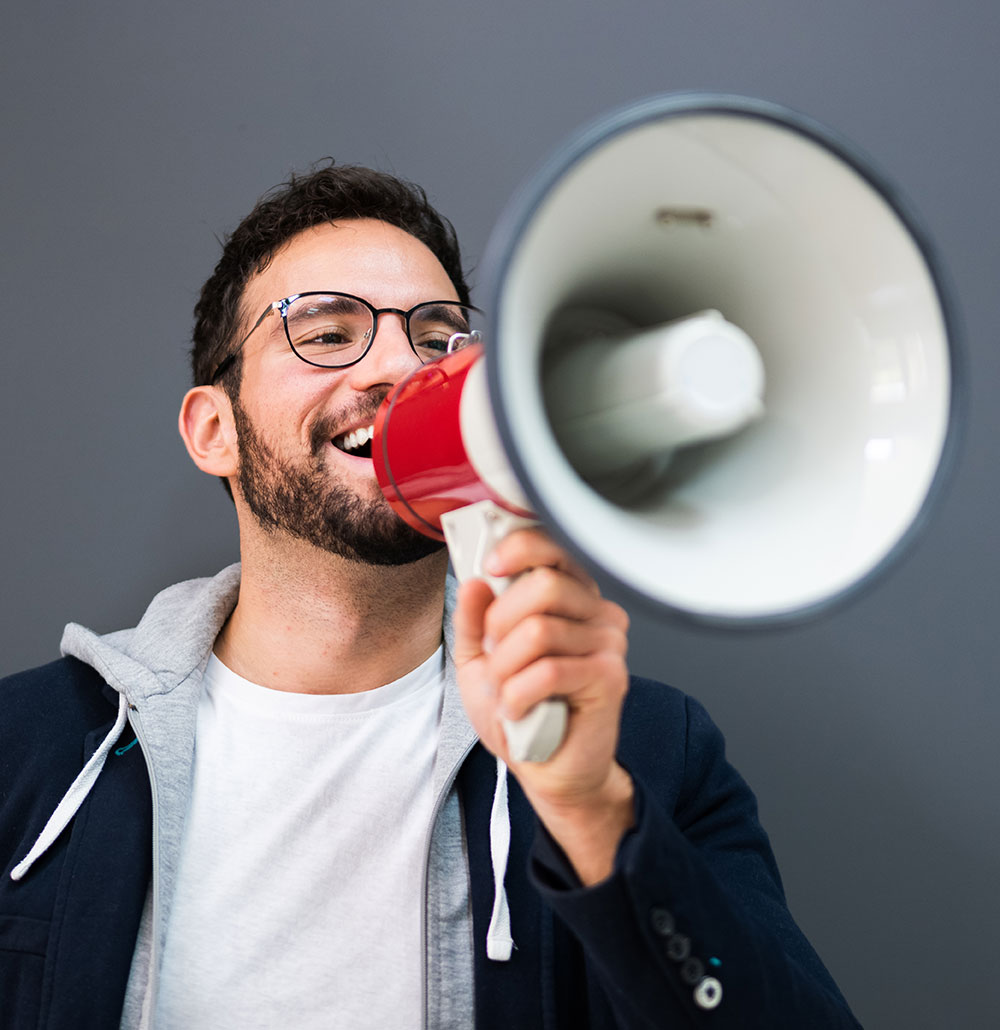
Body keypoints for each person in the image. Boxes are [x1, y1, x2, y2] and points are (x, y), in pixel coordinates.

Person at [0, 163, 861, 1030]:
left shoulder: (644, 755)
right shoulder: (27, 749)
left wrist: (592, 811)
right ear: (213, 431)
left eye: (439, 338)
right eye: (328, 334)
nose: (398, 371)